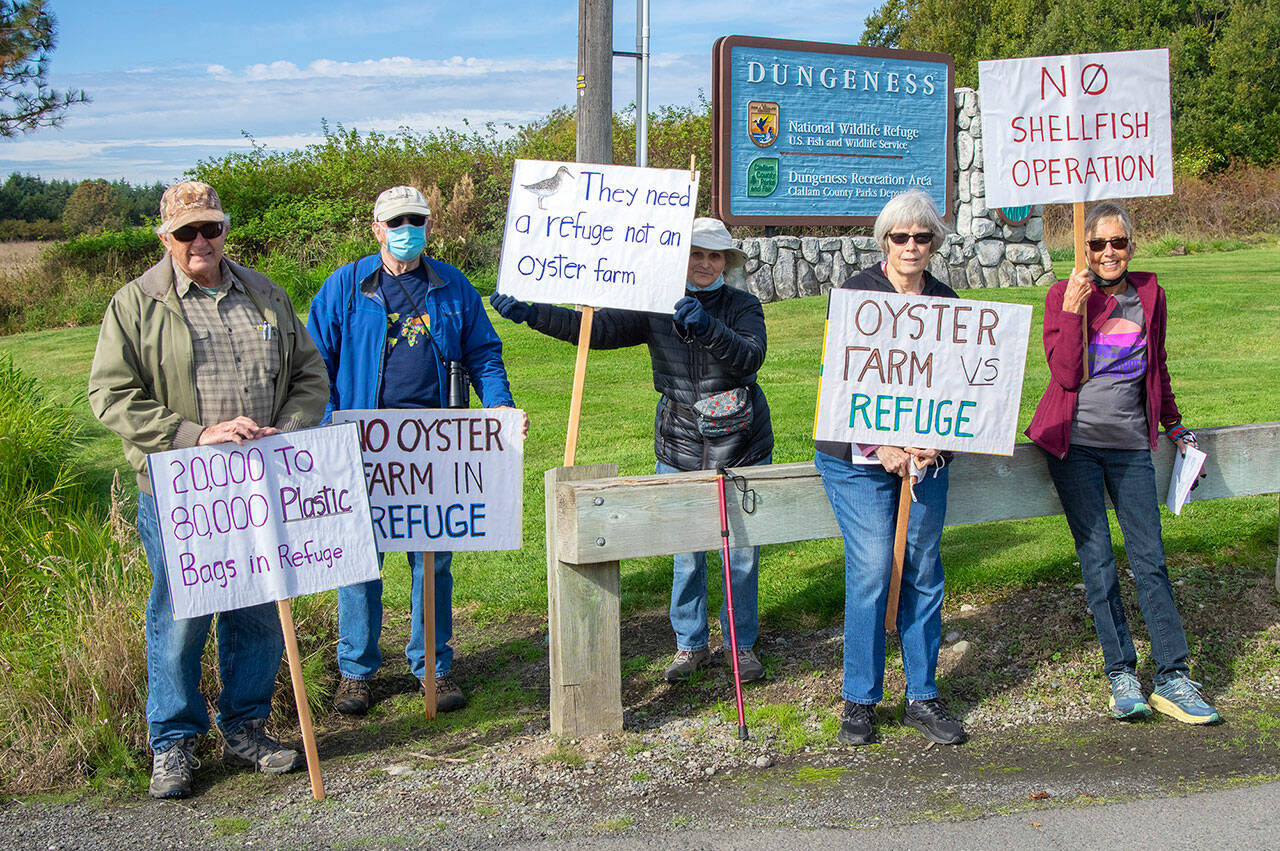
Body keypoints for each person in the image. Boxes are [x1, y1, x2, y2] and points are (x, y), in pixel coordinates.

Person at [87, 181, 330, 799]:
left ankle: (245, 728)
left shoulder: (266, 294)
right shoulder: (135, 303)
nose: (201, 242)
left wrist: (290, 429)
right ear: (164, 237)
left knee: (257, 610)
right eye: (187, 232)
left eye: (211, 229)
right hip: (180, 489)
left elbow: (310, 374)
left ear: (225, 230)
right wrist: (195, 435)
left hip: (259, 483)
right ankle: (172, 743)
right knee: (180, 617)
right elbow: (110, 395)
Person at [491, 217, 773, 683]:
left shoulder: (743, 305)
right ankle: (690, 644)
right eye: (695, 254)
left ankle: (740, 645)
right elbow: (595, 331)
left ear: (727, 261)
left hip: (741, 444)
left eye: (714, 255)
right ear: (680, 258)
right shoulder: (655, 303)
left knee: (741, 552)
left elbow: (749, 359)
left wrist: (707, 326)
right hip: (680, 443)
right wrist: (532, 312)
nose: (704, 264)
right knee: (685, 549)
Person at [306, 185, 519, 716]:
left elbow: (483, 353)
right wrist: (329, 421)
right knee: (360, 559)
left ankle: (435, 666)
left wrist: (498, 405)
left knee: (433, 561)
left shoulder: (452, 287)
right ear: (376, 228)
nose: (408, 230)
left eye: (417, 220)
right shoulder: (346, 287)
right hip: (362, 445)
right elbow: (314, 366)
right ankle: (356, 671)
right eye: (397, 221)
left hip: (436, 447)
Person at [1026, 200, 1218, 725]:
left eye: (1118, 243)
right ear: (1083, 249)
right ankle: (1121, 673)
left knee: (1150, 559)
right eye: (1097, 244)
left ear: (1131, 247)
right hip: (1077, 446)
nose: (1108, 252)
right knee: (1098, 563)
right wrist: (1072, 307)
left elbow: (1157, 367)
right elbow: (1065, 376)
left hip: (1133, 444)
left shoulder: (1149, 295)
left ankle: (1173, 675)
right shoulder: (1064, 297)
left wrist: (1174, 425)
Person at [814, 189, 968, 747]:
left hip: (924, 459)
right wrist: (880, 446)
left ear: (934, 244)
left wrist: (937, 446)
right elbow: (838, 383)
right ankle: (859, 698)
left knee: (924, 569)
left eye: (921, 237)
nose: (911, 247)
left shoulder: (950, 303)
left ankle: (923, 695)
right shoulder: (856, 296)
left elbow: (961, 392)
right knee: (877, 566)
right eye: (900, 237)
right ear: (885, 241)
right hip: (856, 459)